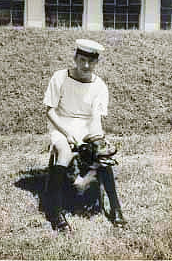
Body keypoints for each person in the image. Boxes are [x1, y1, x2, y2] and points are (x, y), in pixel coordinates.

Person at [43, 39, 126, 230]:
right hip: (61, 124)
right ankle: (54, 211)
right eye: (82, 60)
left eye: (91, 62)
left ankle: (115, 208)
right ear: (75, 58)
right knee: (64, 152)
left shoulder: (100, 86)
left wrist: (98, 139)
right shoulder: (60, 77)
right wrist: (67, 133)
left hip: (86, 126)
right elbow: (50, 111)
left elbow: (95, 118)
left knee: (102, 155)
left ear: (96, 63)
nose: (86, 65)